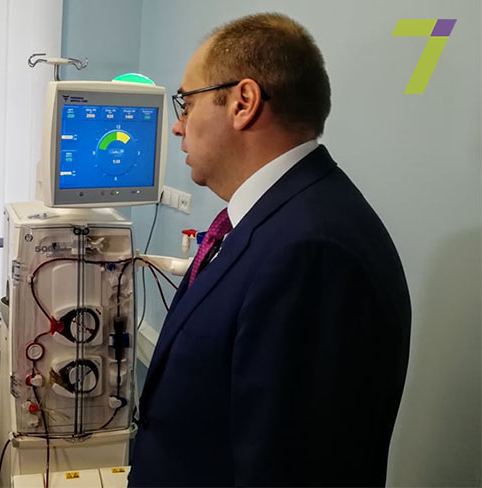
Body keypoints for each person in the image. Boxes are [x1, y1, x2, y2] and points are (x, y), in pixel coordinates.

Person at [129, 13, 411, 487]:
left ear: (243, 103)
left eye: (187, 103)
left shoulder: (312, 250)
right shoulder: (265, 222)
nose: (178, 127)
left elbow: (290, 469)